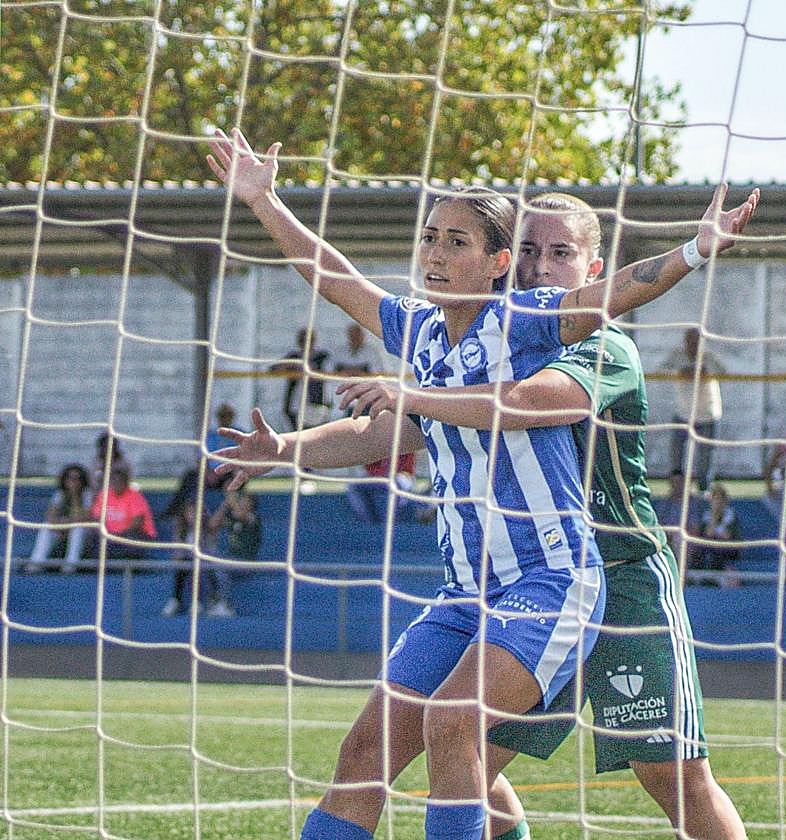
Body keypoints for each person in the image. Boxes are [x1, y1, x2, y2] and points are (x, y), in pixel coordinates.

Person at [205, 127, 757, 840]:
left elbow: (530, 399)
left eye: (455, 241)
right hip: (473, 590)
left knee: (625, 766)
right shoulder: (425, 334)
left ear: (497, 265)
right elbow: (340, 286)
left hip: (575, 578)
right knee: (375, 751)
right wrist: (263, 201)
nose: (434, 252)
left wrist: (694, 248)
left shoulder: (542, 327)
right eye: (430, 237)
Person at [334, 191, 749, 839]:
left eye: (560, 253)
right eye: (527, 251)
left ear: (593, 269)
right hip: (527, 582)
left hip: (621, 579)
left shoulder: (597, 347)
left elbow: (529, 402)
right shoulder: (482, 340)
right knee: (468, 751)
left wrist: (694, 250)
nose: (539, 266)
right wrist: (287, 448)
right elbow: (409, 430)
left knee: (669, 772)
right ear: (504, 259)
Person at [664, 327, 725, 491]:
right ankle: (676, 489)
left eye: (696, 341)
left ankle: (704, 489)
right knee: (676, 455)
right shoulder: (678, 356)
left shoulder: (709, 357)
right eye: (689, 340)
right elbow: (663, 370)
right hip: (683, 414)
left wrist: (702, 372)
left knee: (706, 457)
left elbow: (723, 372)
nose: (693, 344)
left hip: (707, 414)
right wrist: (683, 372)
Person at [160, 490, 234, 617]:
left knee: (208, 568)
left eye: (197, 513)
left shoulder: (209, 528)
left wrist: (226, 503)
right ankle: (178, 600)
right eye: (191, 513)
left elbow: (216, 523)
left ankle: (217, 602)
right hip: (189, 563)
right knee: (184, 565)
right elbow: (177, 553)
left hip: (208, 561)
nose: (194, 516)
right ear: (185, 514)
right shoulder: (181, 531)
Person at [23, 463, 93, 573]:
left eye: (77, 479)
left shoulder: (87, 495)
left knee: (77, 529)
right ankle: (35, 564)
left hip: (84, 531)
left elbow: (86, 517)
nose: (73, 482)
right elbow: (50, 517)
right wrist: (61, 525)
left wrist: (74, 496)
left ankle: (70, 566)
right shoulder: (60, 494)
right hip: (63, 528)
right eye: (70, 478)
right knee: (46, 527)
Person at [89, 463, 156, 559]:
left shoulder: (135, 496)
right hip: (108, 536)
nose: (117, 483)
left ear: (126, 481)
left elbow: (137, 523)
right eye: (114, 480)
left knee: (130, 539)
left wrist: (117, 536)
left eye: (120, 480)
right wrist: (105, 533)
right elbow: (96, 518)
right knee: (95, 540)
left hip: (132, 535)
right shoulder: (103, 495)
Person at [274, 327, 330, 431]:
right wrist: (289, 366)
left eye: (308, 339)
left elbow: (329, 372)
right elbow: (274, 369)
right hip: (295, 403)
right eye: (302, 340)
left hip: (316, 403)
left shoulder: (322, 356)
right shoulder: (293, 356)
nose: (305, 343)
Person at [689, 482, 741, 584]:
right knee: (699, 554)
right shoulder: (707, 516)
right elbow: (708, 534)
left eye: (720, 499)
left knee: (717, 552)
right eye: (714, 499)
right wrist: (714, 516)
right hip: (710, 548)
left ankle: (713, 580)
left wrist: (716, 531)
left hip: (728, 549)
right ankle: (696, 581)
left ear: (725, 501)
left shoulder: (731, 516)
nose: (717, 503)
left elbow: (727, 536)